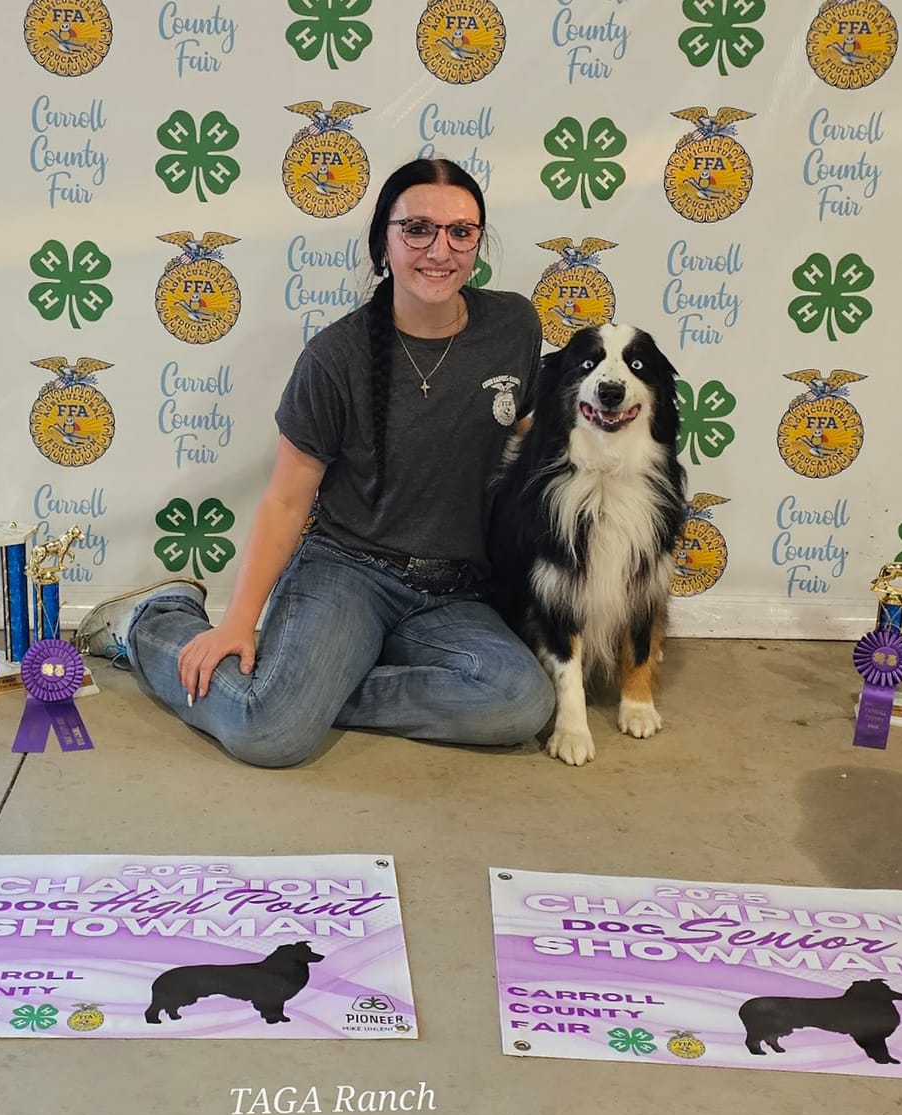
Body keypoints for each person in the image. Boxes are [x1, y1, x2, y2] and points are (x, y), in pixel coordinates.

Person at [76, 158, 555, 767]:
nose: (441, 250)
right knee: (268, 733)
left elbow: (531, 437)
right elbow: (286, 499)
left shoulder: (513, 323)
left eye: (462, 232)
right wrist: (237, 624)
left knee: (518, 703)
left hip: (454, 590)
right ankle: (154, 621)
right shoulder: (337, 356)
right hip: (347, 572)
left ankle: (309, 690)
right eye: (418, 230)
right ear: (383, 240)